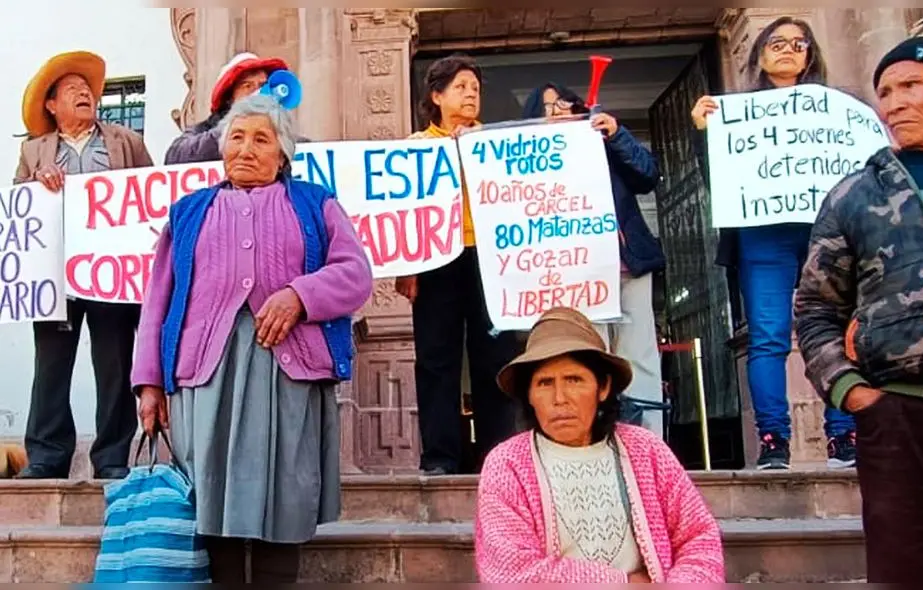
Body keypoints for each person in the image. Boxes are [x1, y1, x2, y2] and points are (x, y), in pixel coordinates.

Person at [131, 93, 373, 582]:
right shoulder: (188, 213)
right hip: (206, 374)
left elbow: (356, 274)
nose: (245, 148)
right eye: (236, 137)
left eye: (261, 139)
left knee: (284, 499)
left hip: (289, 374)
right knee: (210, 500)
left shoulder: (315, 203)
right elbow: (157, 301)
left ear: (283, 153)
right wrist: (149, 382)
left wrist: (300, 296)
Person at [795, 8, 923, 583]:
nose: (893, 103)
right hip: (901, 416)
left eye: (911, 84)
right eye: (883, 91)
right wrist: (851, 390)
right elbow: (815, 307)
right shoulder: (855, 195)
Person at [689, 16, 856, 470]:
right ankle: (773, 440)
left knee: (837, 333)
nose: (787, 49)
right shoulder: (736, 113)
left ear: (810, 55)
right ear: (759, 52)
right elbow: (719, 184)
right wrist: (707, 138)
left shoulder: (837, 109)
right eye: (776, 42)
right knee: (768, 339)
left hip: (826, 233)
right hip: (762, 235)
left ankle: (844, 436)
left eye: (797, 43)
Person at [475, 307, 723, 583]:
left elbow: (698, 538)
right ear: (529, 395)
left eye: (574, 380)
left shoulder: (646, 450)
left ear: (602, 387)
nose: (559, 398)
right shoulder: (507, 465)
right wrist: (625, 584)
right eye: (544, 383)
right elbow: (510, 570)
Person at [14, 50, 153, 480]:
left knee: (114, 363)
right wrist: (36, 183)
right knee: (51, 365)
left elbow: (147, 194)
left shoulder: (125, 141)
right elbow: (19, 206)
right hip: (56, 276)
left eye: (87, 89)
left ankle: (111, 456)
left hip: (112, 275)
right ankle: (47, 455)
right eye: (71, 90)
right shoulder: (34, 150)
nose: (84, 94)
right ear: (51, 106)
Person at [395, 54, 520, 475]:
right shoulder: (415, 146)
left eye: (475, 89)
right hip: (436, 260)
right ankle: (440, 459)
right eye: (461, 87)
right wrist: (407, 265)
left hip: (491, 259)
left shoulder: (495, 143)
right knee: (436, 359)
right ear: (437, 94)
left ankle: (498, 458)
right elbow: (404, 210)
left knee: (496, 358)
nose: (471, 94)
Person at [521, 83, 668, 439]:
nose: (556, 112)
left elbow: (648, 175)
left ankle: (648, 440)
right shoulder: (524, 163)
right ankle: (599, 437)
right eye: (546, 107)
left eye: (563, 104)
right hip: (574, 272)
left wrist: (617, 136)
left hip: (626, 265)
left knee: (640, 355)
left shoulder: (604, 143)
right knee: (588, 356)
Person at [164, 52, 290, 165]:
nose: (258, 92)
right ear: (229, 97)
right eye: (247, 86)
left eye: (262, 85)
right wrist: (233, 126)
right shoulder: (202, 130)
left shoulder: (282, 133)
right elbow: (174, 156)